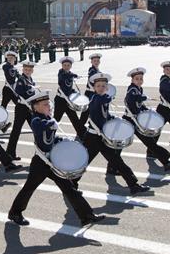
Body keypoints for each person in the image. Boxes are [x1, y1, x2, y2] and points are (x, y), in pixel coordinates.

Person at [8, 90, 105, 227]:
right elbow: (39, 128)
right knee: (29, 188)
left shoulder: (47, 118)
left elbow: (50, 139)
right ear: (36, 107)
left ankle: (86, 216)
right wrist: (50, 124)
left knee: (69, 188)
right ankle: (15, 212)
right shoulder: (36, 119)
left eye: (48, 103)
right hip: (41, 163)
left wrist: (62, 139)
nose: (49, 106)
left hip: (53, 161)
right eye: (45, 104)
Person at [84, 72, 151, 195]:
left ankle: (133, 185)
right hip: (93, 137)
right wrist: (109, 96)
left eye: (103, 86)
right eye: (98, 86)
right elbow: (103, 100)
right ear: (94, 87)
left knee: (116, 160)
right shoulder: (97, 98)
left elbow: (103, 114)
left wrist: (112, 117)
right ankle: (71, 184)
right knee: (84, 161)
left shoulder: (101, 98)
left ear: (107, 87)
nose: (101, 88)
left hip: (99, 136)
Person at [124, 67, 170, 172]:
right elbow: (130, 100)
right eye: (137, 79)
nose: (139, 81)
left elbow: (139, 105)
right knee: (147, 142)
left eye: (141, 78)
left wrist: (146, 109)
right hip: (130, 119)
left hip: (135, 119)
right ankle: (166, 161)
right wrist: (140, 98)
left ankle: (166, 162)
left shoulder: (139, 89)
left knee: (149, 142)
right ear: (132, 80)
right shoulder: (131, 89)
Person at [6, 60, 37, 159]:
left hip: (29, 108)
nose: (27, 71)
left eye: (29, 70)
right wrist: (29, 91)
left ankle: (40, 153)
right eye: (26, 69)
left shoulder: (30, 79)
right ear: (23, 69)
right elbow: (19, 92)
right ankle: (10, 153)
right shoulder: (21, 79)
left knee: (36, 129)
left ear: (32, 71)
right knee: (16, 131)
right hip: (21, 108)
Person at [53, 56, 87, 137]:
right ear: (62, 66)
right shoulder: (61, 73)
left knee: (74, 118)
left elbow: (69, 88)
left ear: (71, 66)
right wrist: (74, 75)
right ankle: (50, 136)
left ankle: (82, 135)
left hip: (68, 100)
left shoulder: (70, 74)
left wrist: (75, 93)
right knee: (56, 120)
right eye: (64, 65)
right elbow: (64, 77)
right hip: (60, 101)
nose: (66, 67)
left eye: (68, 65)